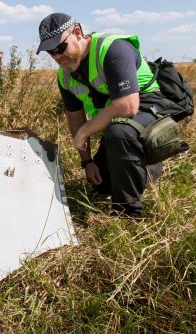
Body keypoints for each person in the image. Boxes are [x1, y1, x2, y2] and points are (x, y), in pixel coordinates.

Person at [36, 13, 181, 217]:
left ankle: (127, 212)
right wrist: (87, 161)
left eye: (61, 47)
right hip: (116, 119)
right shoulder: (65, 76)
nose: (58, 56)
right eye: (51, 52)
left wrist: (86, 131)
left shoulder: (112, 50)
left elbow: (127, 106)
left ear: (77, 32)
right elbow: (75, 119)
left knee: (118, 132)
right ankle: (146, 165)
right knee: (103, 184)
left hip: (148, 107)